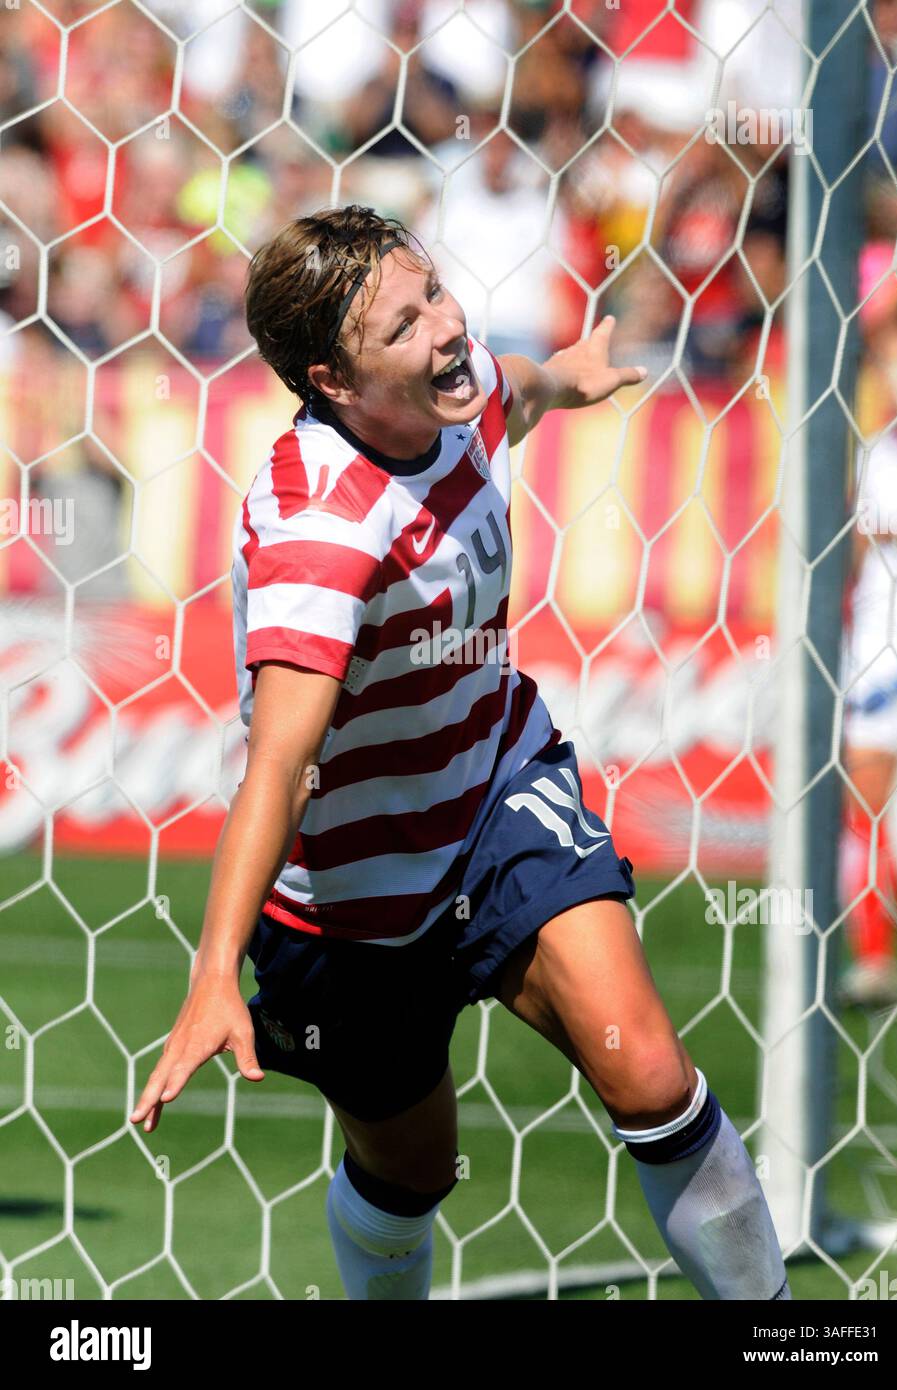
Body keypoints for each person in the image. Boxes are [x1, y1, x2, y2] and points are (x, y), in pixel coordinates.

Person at [131, 204, 791, 1302]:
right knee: (416, 1171)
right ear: (331, 380)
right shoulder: (320, 533)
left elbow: (507, 392)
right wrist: (213, 970)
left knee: (647, 1070)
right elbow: (283, 762)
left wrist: (567, 375)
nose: (444, 327)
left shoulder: (455, 381)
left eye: (433, 290)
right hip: (350, 894)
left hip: (495, 787)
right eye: (403, 324)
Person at [839, 323, 897, 1007]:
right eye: (890, 372)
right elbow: (856, 558)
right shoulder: (875, 457)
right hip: (879, 655)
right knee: (863, 802)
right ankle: (876, 960)